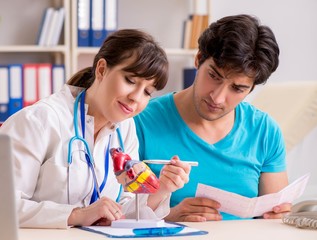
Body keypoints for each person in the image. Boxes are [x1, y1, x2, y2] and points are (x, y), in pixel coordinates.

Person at [0, 29, 191, 228]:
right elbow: (4, 206)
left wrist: (163, 189)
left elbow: (121, 210)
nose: (136, 97)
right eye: (130, 81)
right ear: (101, 69)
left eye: (147, 92)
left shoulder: (125, 128)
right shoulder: (39, 120)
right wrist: (76, 215)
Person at [134, 14, 291, 222]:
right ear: (198, 59)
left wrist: (281, 217)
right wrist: (170, 216)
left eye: (237, 88)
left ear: (251, 89)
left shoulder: (265, 132)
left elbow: (274, 218)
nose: (217, 97)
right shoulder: (141, 121)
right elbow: (116, 215)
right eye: (214, 76)